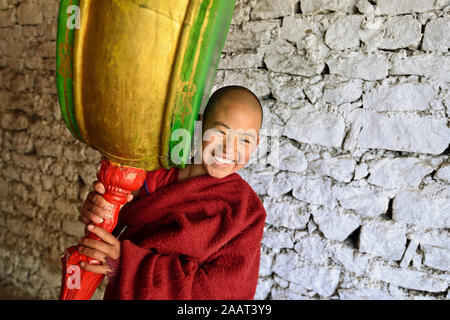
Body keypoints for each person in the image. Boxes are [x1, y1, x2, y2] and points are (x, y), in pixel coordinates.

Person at [77, 85, 267, 299]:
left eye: (245, 140)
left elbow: (224, 294)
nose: (229, 149)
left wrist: (127, 262)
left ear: (256, 144)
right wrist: (96, 211)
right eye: (220, 132)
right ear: (200, 125)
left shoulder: (245, 211)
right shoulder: (153, 177)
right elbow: (107, 225)